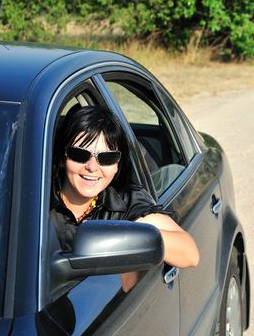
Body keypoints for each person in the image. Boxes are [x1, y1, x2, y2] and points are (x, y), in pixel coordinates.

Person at [50, 105, 199, 291]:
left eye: (106, 158)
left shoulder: (124, 203)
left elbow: (189, 254)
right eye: (79, 154)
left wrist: (125, 235)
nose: (92, 167)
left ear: (117, 165)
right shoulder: (36, 200)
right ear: (63, 156)